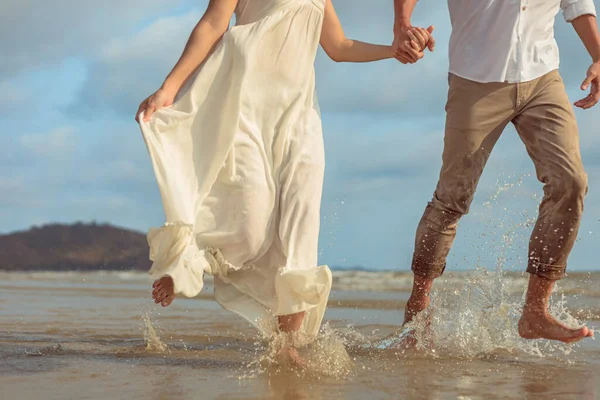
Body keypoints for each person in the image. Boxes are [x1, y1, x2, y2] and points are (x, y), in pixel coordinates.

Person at [135, 0, 432, 354]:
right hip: (245, 112)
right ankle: (192, 257)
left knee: (301, 226)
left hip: (300, 118)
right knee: (250, 228)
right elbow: (212, 26)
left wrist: (392, 51)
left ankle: (287, 345)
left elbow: (338, 47)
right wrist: (169, 88)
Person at [392, 0, 599, 344]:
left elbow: (576, 4)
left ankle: (536, 311)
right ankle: (418, 311)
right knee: (452, 199)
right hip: (476, 77)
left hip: (541, 77)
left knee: (571, 183)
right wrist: (402, 24)